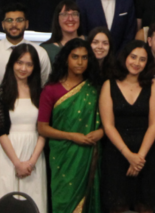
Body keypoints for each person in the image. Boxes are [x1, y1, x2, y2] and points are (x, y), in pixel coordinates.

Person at [38, 39, 104, 213]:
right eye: (75, 57)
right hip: (62, 155)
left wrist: (101, 132)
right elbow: (42, 128)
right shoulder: (51, 90)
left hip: (89, 154)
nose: (80, 62)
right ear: (66, 59)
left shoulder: (95, 88)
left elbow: (108, 122)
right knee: (63, 201)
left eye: (84, 57)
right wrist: (71, 136)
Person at [99, 40, 155, 213]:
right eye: (133, 57)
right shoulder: (109, 85)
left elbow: (154, 124)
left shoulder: (154, 86)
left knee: (146, 206)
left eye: (142, 59)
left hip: (147, 154)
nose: (136, 63)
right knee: (117, 206)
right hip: (117, 154)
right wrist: (128, 155)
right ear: (124, 58)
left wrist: (139, 158)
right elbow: (108, 125)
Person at [0, 44, 47, 213]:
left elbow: (44, 129)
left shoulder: (41, 94)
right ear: (12, 64)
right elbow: (0, 131)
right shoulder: (1, 93)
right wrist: (17, 163)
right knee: (5, 198)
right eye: (20, 63)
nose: (23, 68)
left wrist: (32, 161)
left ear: (35, 67)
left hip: (34, 152)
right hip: (8, 154)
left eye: (29, 64)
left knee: (34, 197)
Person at [0, 3, 51, 89]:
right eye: (9, 20)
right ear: (3, 24)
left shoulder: (40, 53)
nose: (14, 24)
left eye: (19, 20)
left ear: (26, 24)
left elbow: (45, 85)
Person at [41, 0, 83, 64]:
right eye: (65, 14)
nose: (70, 19)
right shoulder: (46, 49)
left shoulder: (91, 42)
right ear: (57, 19)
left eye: (74, 14)